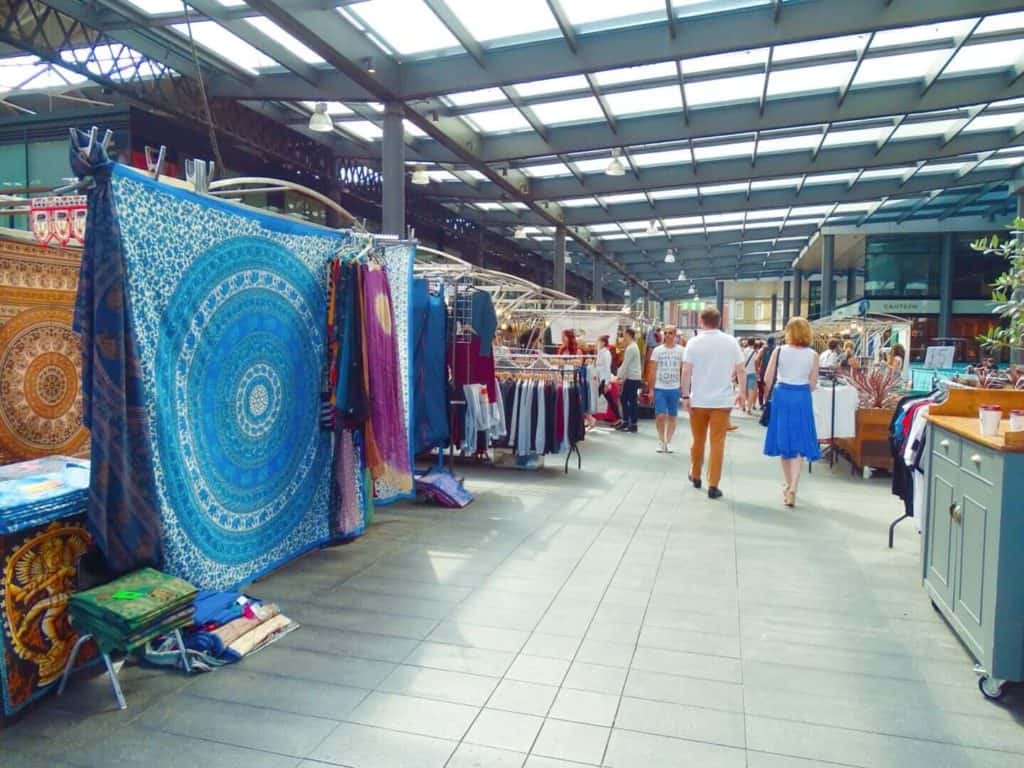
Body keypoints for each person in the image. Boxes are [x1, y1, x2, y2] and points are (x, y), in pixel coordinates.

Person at [680, 308, 745, 499]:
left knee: (697, 440)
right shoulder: (731, 342)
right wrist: (741, 392)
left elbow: (686, 371)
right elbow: (740, 369)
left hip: (698, 400)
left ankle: (696, 474)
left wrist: (685, 395)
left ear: (701, 321)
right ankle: (713, 485)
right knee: (717, 443)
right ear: (720, 321)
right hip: (722, 402)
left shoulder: (693, 342)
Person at [763, 317, 821, 508]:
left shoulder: (779, 351)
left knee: (784, 442)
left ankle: (788, 485)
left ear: (788, 332)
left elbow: (767, 377)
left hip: (782, 396)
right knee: (798, 443)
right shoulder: (813, 355)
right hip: (802, 397)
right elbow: (813, 384)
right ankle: (794, 486)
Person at [648, 326, 686, 453]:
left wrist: (684, 388)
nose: (667, 335)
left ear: (675, 335)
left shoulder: (681, 351)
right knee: (660, 415)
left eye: (670, 333)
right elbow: (652, 370)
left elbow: (684, 370)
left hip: (674, 387)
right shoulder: (657, 350)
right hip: (660, 387)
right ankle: (661, 440)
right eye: (665, 333)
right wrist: (651, 389)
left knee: (672, 415)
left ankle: (668, 441)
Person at [616, 328, 642, 433]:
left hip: (632, 378)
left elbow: (625, 364)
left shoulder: (631, 348)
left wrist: (619, 376)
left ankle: (632, 423)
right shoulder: (632, 347)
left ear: (628, 335)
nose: (623, 337)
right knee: (625, 399)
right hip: (631, 377)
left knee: (630, 401)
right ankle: (627, 421)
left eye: (624, 335)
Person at [596, 334, 622, 427]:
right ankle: (618, 418)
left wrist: (607, 383)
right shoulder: (601, 352)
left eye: (598, 341)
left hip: (603, 380)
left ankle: (618, 418)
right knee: (609, 400)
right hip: (600, 379)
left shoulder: (606, 353)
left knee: (605, 399)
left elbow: (607, 368)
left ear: (603, 343)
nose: (597, 343)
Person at [742, 338, 760, 414]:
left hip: (744, 373)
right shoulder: (756, 352)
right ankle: (749, 408)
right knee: (751, 391)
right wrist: (757, 372)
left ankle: (745, 405)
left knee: (745, 391)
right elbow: (757, 362)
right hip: (753, 373)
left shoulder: (743, 351)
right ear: (754, 343)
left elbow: (741, 362)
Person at [756, 337, 773, 409]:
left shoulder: (762, 349)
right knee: (770, 388)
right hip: (772, 372)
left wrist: (757, 369)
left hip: (763, 371)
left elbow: (756, 360)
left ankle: (761, 404)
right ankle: (768, 403)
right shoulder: (776, 350)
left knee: (761, 389)